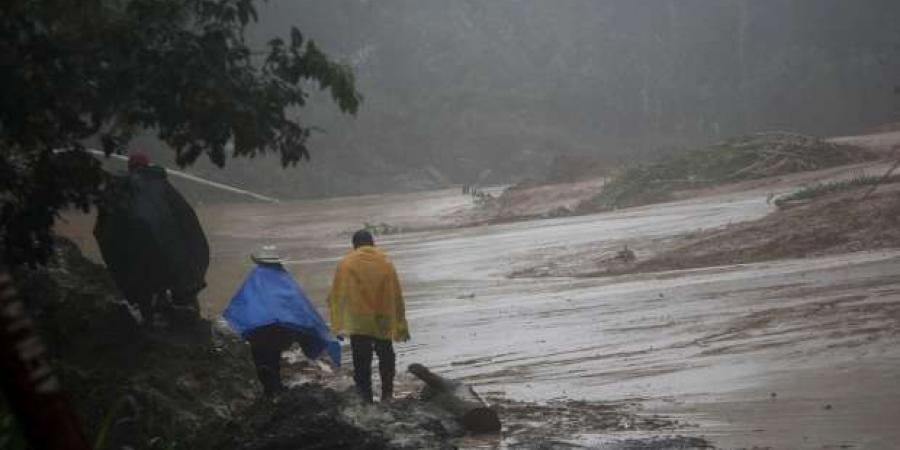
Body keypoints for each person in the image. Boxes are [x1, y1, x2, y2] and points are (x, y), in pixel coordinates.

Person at [94, 151, 209, 326]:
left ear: (130, 167)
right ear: (147, 165)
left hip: (136, 254)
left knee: (145, 287)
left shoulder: (118, 189)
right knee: (172, 280)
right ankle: (176, 318)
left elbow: (104, 226)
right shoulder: (161, 186)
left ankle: (149, 321)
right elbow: (187, 219)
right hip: (168, 252)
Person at [224, 246, 341, 396]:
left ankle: (268, 388)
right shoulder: (284, 279)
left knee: (261, 358)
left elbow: (241, 304)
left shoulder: (254, 278)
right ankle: (275, 386)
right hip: (280, 331)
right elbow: (301, 307)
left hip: (258, 329)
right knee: (273, 357)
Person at [328, 230, 409, 403]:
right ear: (373, 244)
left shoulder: (346, 263)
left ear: (354, 246)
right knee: (386, 354)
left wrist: (338, 323)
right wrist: (400, 323)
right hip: (382, 316)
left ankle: (365, 397)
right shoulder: (385, 262)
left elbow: (337, 295)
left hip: (358, 319)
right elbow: (396, 293)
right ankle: (387, 393)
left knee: (361, 358)